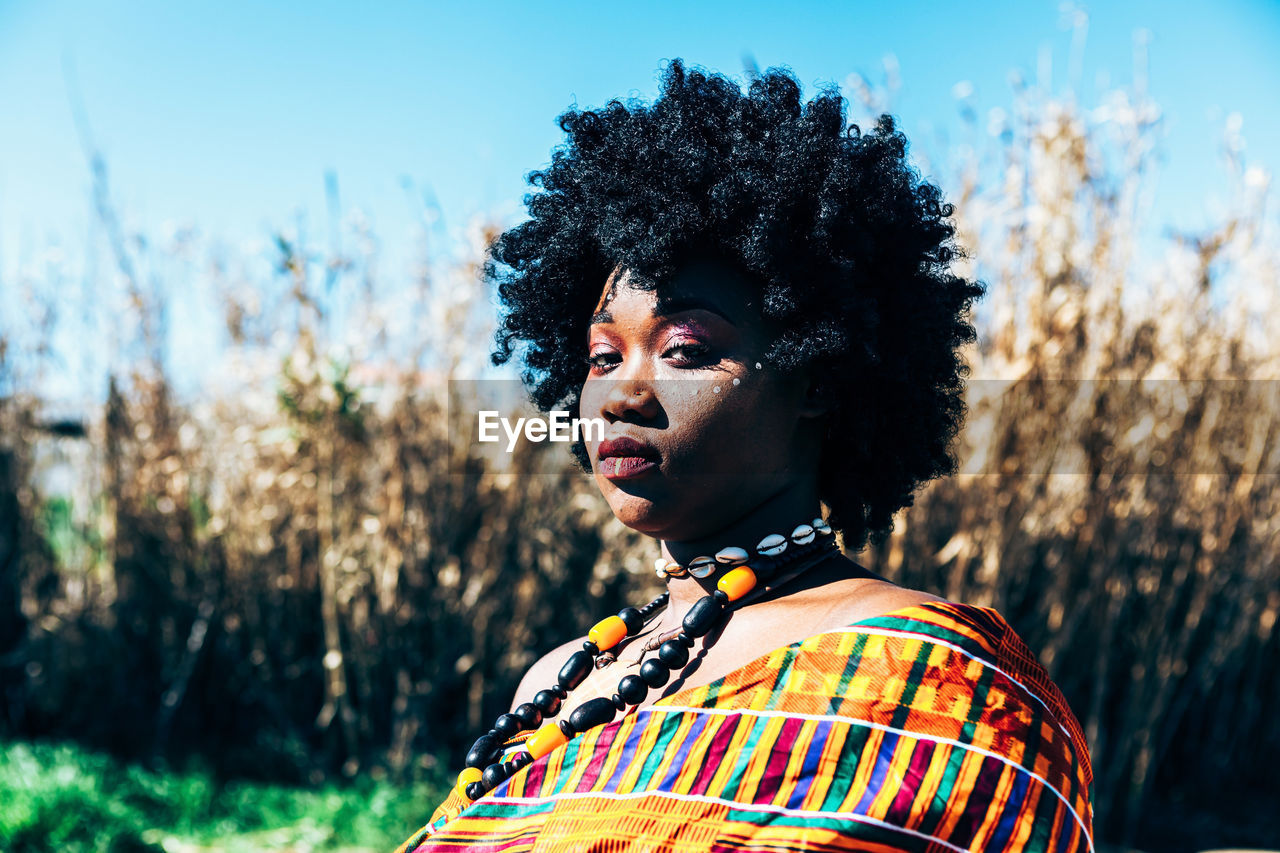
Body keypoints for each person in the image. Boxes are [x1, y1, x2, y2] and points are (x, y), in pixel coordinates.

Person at [396, 59, 1094, 853]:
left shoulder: (939, 684)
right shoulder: (561, 678)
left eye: (685, 350)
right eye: (600, 357)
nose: (621, 396)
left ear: (818, 378)